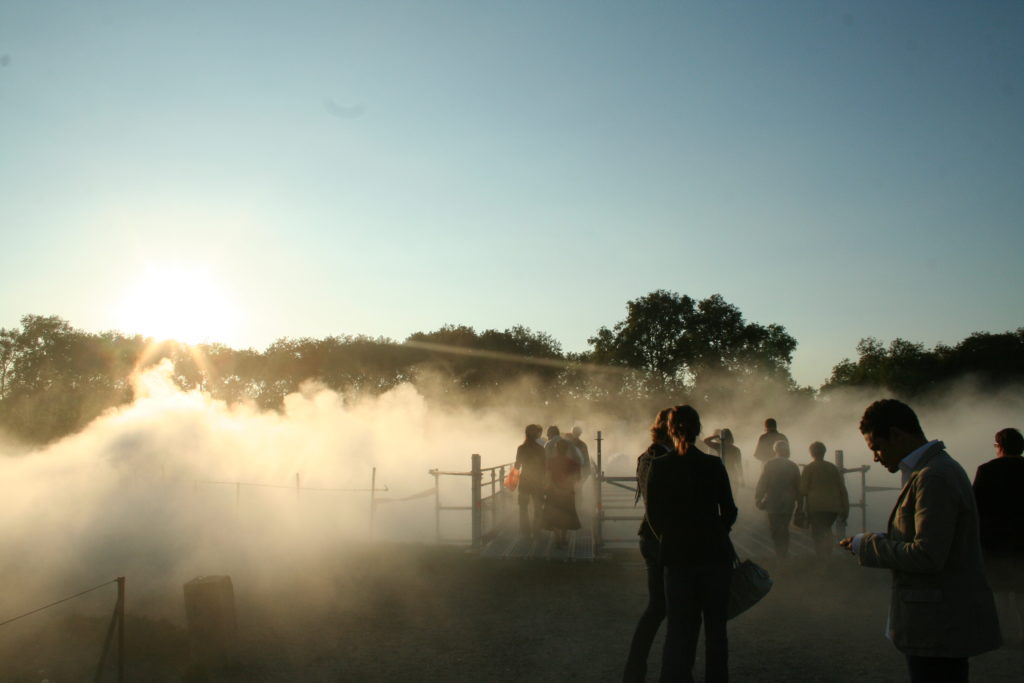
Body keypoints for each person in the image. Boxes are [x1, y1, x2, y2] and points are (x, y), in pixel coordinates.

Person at [839, 399, 1000, 683]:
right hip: (942, 620)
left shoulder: (933, 476)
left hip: (938, 622)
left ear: (897, 435)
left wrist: (867, 545)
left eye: (877, 447)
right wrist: (879, 539)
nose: (876, 457)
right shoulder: (935, 470)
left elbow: (927, 554)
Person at [645, 405, 736, 683]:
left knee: (678, 628)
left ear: (669, 430)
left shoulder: (660, 467)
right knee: (715, 629)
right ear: (698, 430)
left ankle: (675, 678)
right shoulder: (712, 465)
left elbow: (653, 516)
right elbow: (729, 510)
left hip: (677, 557)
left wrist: (670, 538)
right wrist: (717, 532)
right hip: (713, 555)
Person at [622, 408, 673, 683]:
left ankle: (635, 668)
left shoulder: (647, 455)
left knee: (657, 607)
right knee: (673, 607)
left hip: (650, 537)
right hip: (666, 540)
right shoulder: (668, 459)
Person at [972, 427, 1024, 646]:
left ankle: (1002, 634)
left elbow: (975, 505)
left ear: (999, 446)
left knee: (1000, 590)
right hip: (1023, 540)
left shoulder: (986, 470)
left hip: (994, 541)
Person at [795, 441, 848, 564]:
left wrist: (799, 508)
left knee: (817, 533)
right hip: (833, 507)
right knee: (827, 529)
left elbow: (802, 490)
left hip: (816, 507)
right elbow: (842, 489)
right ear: (824, 452)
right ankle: (828, 557)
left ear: (811, 453)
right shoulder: (832, 468)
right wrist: (845, 509)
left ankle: (822, 561)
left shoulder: (809, 468)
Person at [754, 440, 800, 560]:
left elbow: (762, 483)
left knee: (775, 529)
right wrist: (800, 505)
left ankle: (780, 554)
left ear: (775, 450)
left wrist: (758, 499)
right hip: (788, 503)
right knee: (784, 527)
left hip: (772, 502)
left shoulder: (769, 464)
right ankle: (784, 553)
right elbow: (798, 486)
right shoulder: (793, 465)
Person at [542, 438, 581, 547]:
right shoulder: (574, 463)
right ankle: (564, 537)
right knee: (566, 515)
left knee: (553, 516)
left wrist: (550, 488)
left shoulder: (551, 462)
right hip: (568, 493)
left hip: (553, 492)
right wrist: (567, 488)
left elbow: (548, 477)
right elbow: (577, 479)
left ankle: (557, 537)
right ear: (567, 450)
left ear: (557, 449)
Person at [514, 424, 546, 539]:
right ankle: (537, 531)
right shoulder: (541, 449)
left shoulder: (521, 448)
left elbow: (517, 466)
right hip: (537, 480)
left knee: (523, 507)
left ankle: (525, 532)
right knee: (538, 506)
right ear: (537, 434)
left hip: (525, 480)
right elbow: (544, 467)